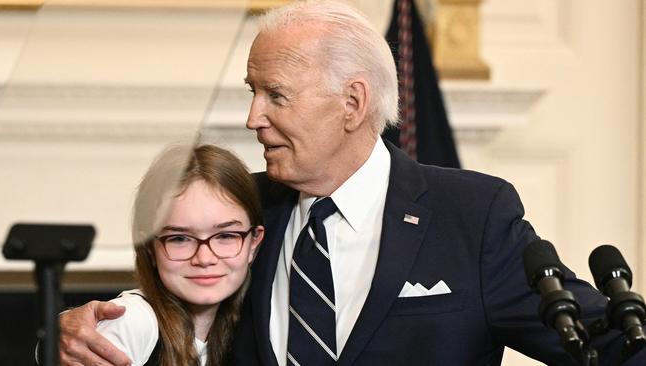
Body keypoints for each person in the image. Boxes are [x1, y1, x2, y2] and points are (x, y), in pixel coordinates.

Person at [56, 1, 645, 365]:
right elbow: (175, 293)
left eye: (276, 95)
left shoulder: (472, 214)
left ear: (352, 102)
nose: (253, 117)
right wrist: (85, 328)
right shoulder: (246, 210)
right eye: (252, 92)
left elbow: (610, 343)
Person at [78, 144, 264, 366]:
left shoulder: (244, 332)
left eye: (225, 236)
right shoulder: (132, 321)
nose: (204, 259)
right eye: (180, 239)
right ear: (149, 247)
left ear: (253, 241)